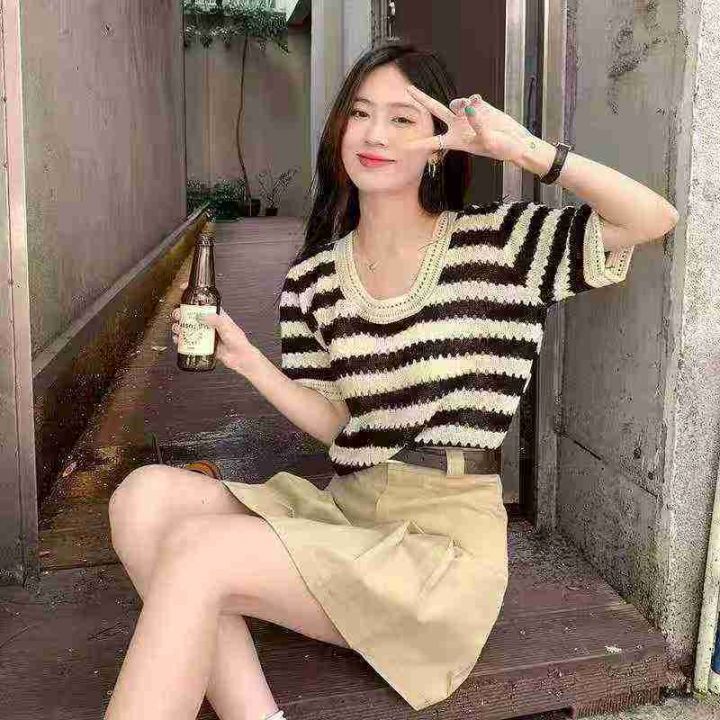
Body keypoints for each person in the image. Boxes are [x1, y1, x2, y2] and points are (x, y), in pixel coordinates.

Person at [105, 40, 679, 720]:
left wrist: (524, 150)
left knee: (201, 554)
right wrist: (249, 362)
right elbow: (337, 425)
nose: (374, 134)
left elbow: (652, 218)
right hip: (350, 509)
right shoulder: (313, 281)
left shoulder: (500, 245)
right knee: (141, 500)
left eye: (402, 118)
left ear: (437, 145)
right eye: (360, 114)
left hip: (442, 544)